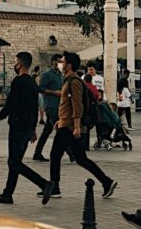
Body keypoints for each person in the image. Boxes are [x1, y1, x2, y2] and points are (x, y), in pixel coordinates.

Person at [0, 52, 55, 205]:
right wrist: (32, 130)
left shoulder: (18, 82)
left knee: (14, 162)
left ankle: (44, 184)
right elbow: (34, 107)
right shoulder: (33, 83)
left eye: (16, 62)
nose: (15, 65)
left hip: (18, 127)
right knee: (15, 161)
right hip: (26, 128)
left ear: (20, 64)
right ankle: (7, 193)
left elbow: (10, 104)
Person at [49, 53, 117, 200]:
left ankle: (54, 187)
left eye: (63, 61)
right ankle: (106, 181)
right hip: (67, 123)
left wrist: (77, 126)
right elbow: (68, 104)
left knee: (55, 155)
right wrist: (60, 119)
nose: (60, 63)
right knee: (80, 158)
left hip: (70, 126)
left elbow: (77, 105)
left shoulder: (73, 81)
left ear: (69, 65)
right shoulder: (68, 80)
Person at [32, 54, 63, 161]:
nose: (59, 64)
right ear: (52, 62)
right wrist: (54, 92)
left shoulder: (60, 75)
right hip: (51, 106)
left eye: (61, 62)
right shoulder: (47, 74)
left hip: (59, 106)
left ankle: (37, 152)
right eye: (58, 62)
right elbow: (40, 88)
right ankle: (72, 154)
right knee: (61, 130)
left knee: (47, 131)